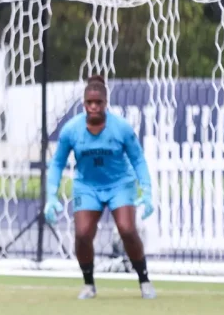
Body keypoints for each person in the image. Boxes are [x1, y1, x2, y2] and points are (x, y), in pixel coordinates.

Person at [44, 75, 156, 300]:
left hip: (120, 185)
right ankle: (89, 284)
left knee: (126, 229)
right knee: (83, 234)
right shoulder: (71, 130)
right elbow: (56, 163)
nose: (93, 107)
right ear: (84, 104)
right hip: (87, 186)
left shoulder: (121, 128)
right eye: (89, 102)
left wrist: (147, 191)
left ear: (106, 103)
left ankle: (144, 279)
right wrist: (51, 196)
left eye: (98, 102)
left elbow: (138, 160)